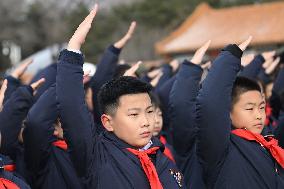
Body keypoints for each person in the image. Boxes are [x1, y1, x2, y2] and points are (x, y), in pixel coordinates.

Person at [56, 5, 186, 188]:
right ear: (108, 122)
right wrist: (73, 50)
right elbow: (72, 110)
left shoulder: (162, 158)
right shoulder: (97, 156)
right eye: (134, 114)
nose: (146, 122)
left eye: (149, 111)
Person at [196, 37, 284, 188]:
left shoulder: (267, 143)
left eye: (261, 107)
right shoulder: (221, 147)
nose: (258, 115)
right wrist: (231, 56)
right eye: (249, 108)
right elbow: (210, 103)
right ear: (228, 112)